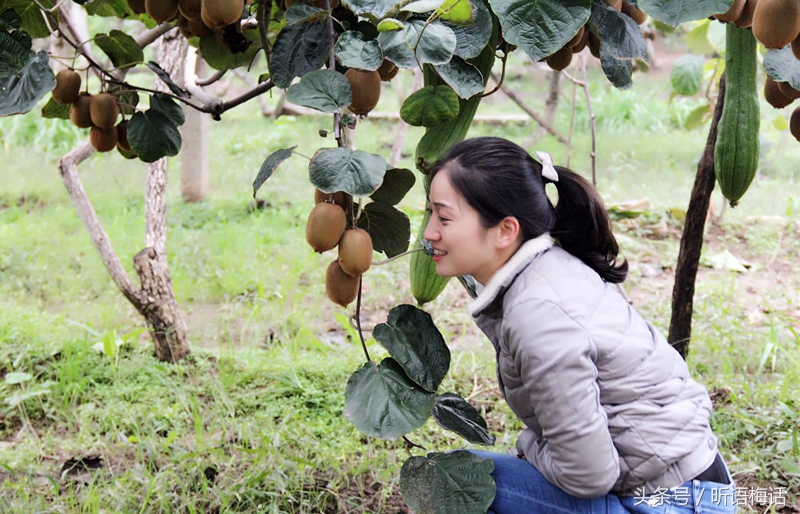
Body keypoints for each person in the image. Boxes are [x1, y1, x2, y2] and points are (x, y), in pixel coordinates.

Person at [422, 137, 737, 514]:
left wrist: (528, 447)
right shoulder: (546, 270)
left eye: (444, 217)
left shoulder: (537, 315)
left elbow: (589, 476)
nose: (429, 232)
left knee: (456, 481)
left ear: (506, 230)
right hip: (694, 485)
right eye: (430, 214)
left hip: (674, 502)